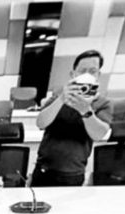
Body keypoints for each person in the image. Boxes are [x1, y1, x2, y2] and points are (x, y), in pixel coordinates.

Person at [33, 50, 112, 187]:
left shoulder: (103, 103)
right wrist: (62, 99)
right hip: (44, 168)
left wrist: (85, 110)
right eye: (82, 71)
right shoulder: (59, 95)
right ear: (73, 74)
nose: (87, 75)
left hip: (73, 172)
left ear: (98, 75)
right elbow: (41, 122)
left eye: (92, 71)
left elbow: (99, 134)